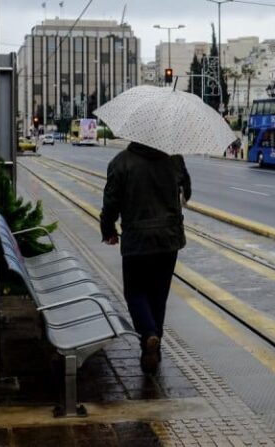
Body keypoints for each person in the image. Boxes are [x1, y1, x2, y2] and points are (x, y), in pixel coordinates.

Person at [100, 141, 188, 374]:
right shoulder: (174, 158)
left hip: (137, 240)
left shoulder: (121, 162)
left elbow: (111, 202)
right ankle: (153, 349)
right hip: (169, 240)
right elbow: (187, 191)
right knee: (159, 295)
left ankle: (148, 335)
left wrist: (108, 230)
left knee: (136, 292)